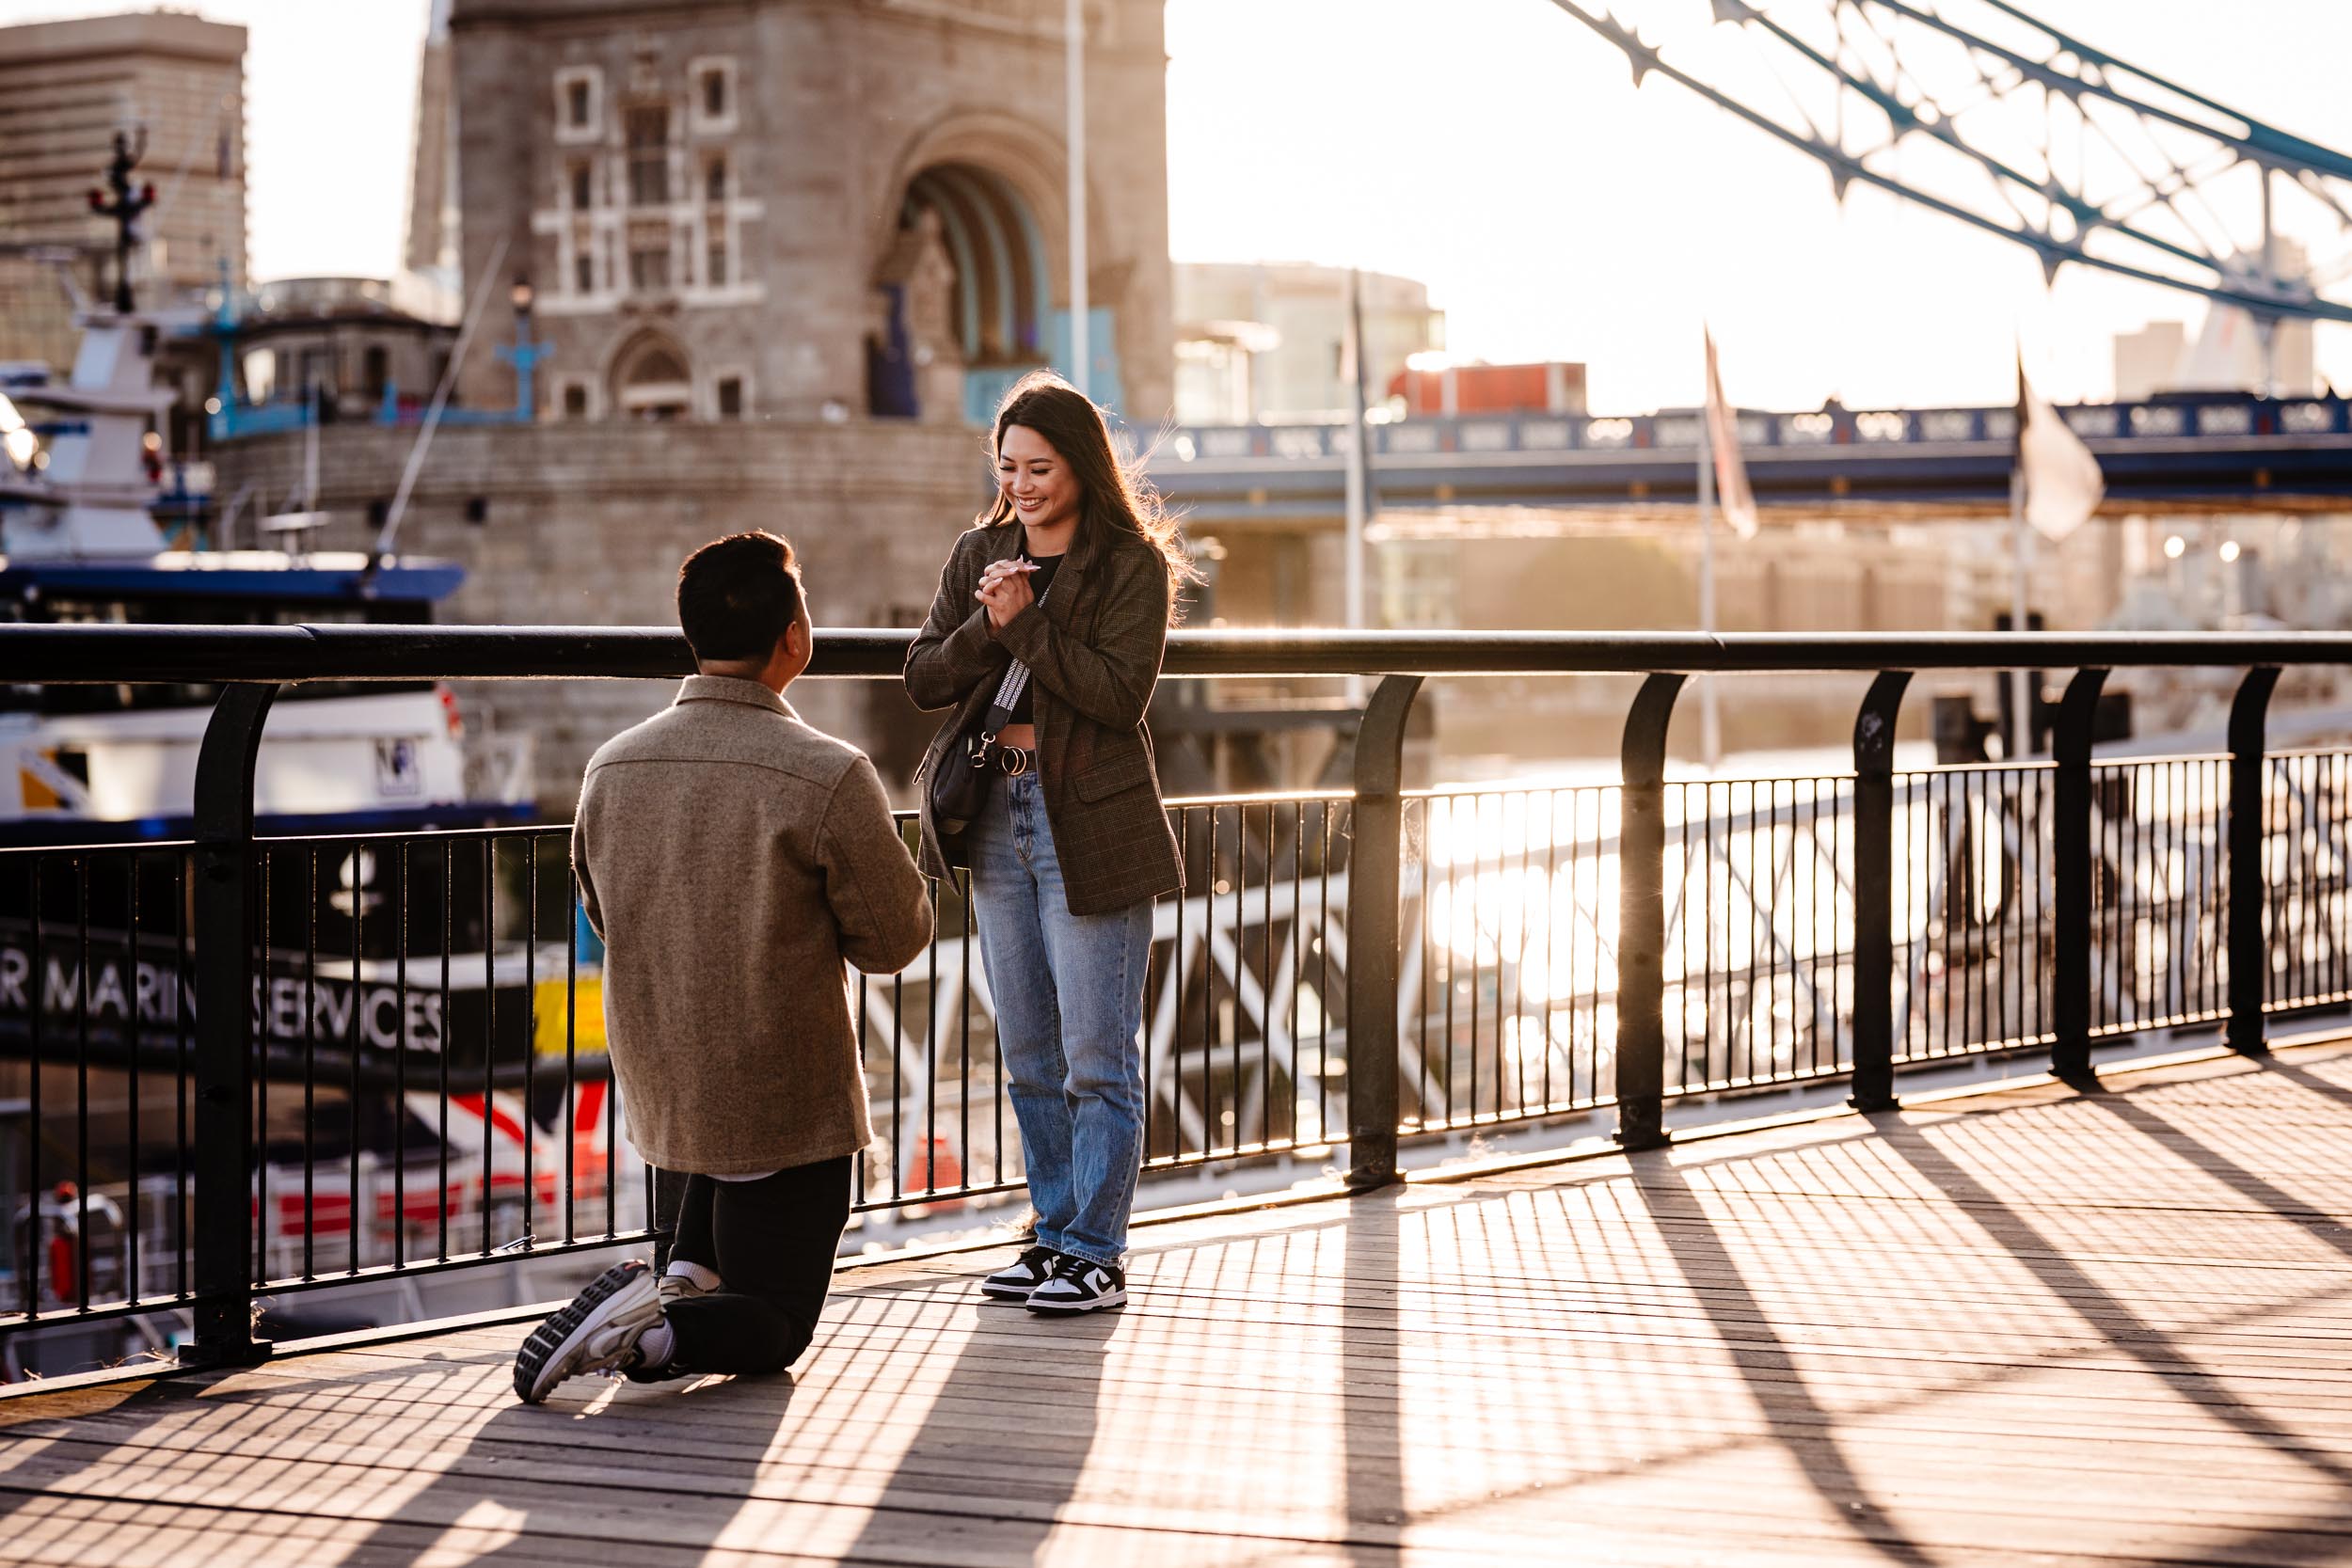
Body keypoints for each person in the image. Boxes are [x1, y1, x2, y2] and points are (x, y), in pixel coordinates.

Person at [515, 531, 932, 1403]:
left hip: (666, 1091)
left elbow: (605, 911)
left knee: (702, 1275)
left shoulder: (610, 767)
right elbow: (893, 943)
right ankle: (650, 1331)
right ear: (794, 637)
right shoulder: (827, 772)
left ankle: (666, 1292)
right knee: (776, 1321)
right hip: (783, 1103)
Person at [904, 372, 1192, 1315]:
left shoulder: (1130, 565)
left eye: (1041, 467)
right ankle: (1051, 1231)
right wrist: (990, 631)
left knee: (1096, 1054)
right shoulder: (979, 551)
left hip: (1089, 821)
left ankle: (1094, 1250)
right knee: (1026, 1048)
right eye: (1008, 467)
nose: (1022, 485)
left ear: (1082, 466)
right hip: (996, 814)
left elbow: (1115, 697)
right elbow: (923, 677)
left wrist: (1025, 625)